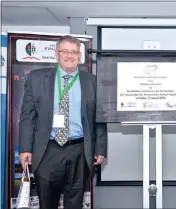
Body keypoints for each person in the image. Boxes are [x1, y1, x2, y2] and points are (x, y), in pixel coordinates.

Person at [18, 35, 108, 209]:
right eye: (65, 51)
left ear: (80, 56)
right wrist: (25, 149)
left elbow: (100, 118)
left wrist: (100, 148)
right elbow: (27, 116)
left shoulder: (92, 81)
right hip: (47, 150)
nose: (70, 55)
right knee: (47, 201)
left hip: (80, 150)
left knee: (75, 202)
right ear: (56, 53)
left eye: (74, 52)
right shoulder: (36, 79)